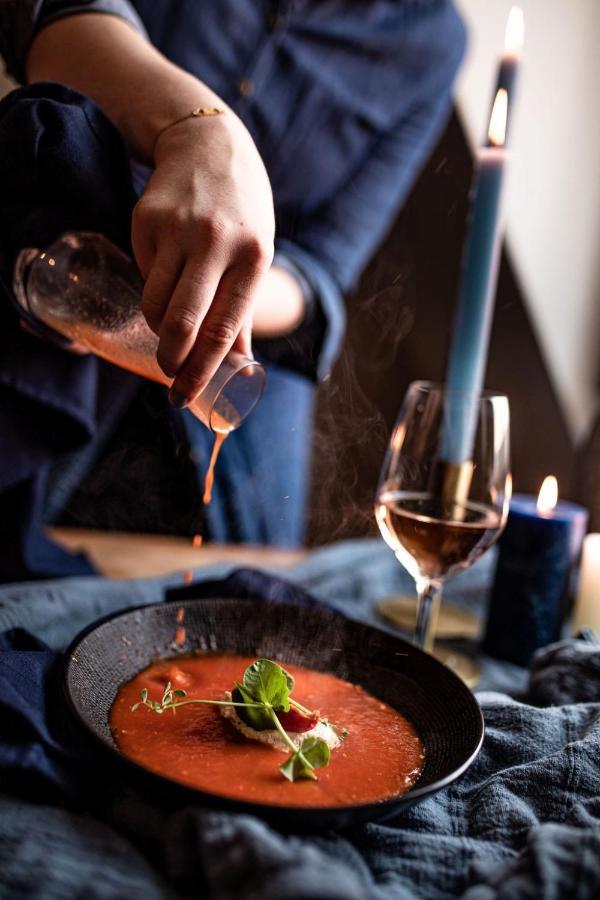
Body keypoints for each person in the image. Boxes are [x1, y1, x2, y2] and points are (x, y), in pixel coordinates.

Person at [0, 0, 465, 579]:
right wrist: (196, 128)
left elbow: (320, 273)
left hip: (244, 344)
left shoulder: (433, 44)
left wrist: (218, 281)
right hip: (60, 265)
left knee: (249, 597)